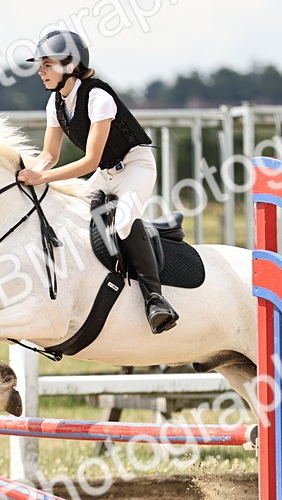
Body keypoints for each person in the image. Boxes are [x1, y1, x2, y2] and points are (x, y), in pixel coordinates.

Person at [17, 30, 179, 334]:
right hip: (106, 173)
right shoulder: (55, 103)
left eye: (47, 64)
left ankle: (155, 299)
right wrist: (25, 175)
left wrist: (42, 177)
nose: (40, 71)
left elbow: (89, 161)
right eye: (40, 65)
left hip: (135, 167)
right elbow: (49, 155)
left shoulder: (98, 97)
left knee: (123, 223)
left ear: (70, 65)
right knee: (70, 218)